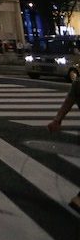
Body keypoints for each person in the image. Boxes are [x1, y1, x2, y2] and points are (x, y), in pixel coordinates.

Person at [47, 78, 80, 214]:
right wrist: (57, 120)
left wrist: (57, 120)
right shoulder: (78, 84)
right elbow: (70, 99)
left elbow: (70, 100)